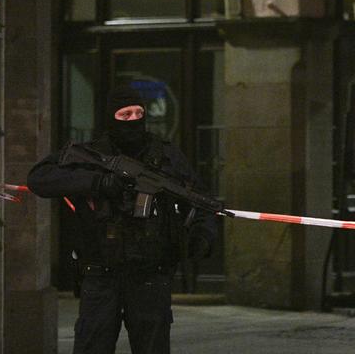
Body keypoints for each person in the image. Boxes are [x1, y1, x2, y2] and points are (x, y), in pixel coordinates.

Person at [27, 85, 217, 354]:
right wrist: (98, 182)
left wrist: (202, 236)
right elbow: (39, 178)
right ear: (110, 118)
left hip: (151, 275)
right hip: (100, 274)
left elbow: (200, 199)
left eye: (139, 113)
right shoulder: (92, 155)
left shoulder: (165, 157)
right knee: (93, 345)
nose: (133, 121)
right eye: (124, 115)